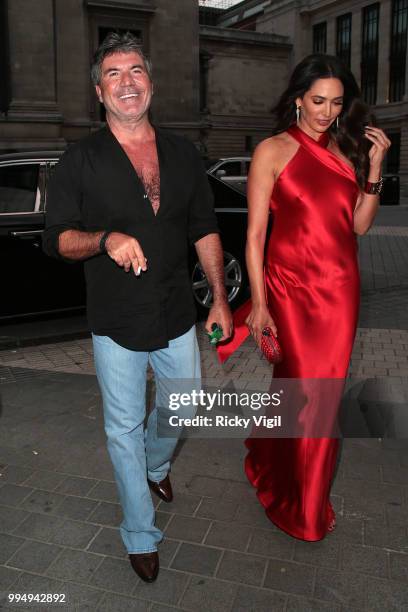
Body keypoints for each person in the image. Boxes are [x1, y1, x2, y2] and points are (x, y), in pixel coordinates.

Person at [43, 31, 232, 581]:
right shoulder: (79, 160)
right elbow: (56, 240)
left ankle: (156, 463)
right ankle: (140, 532)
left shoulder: (182, 152)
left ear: (150, 81)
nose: (127, 83)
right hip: (116, 319)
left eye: (136, 72)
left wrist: (219, 298)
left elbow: (204, 228)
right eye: (113, 75)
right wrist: (105, 239)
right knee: (122, 426)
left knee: (186, 407)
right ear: (98, 92)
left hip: (176, 311)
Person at [243, 54, 390, 540]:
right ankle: (298, 506)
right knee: (305, 393)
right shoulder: (272, 150)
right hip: (289, 288)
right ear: (298, 99)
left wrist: (376, 167)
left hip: (341, 291)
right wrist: (259, 304)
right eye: (318, 101)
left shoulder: (348, 152)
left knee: (318, 401)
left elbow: (359, 225)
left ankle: (275, 464)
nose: (327, 112)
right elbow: (255, 235)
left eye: (336, 103)